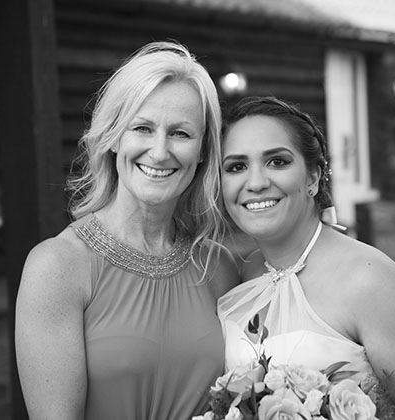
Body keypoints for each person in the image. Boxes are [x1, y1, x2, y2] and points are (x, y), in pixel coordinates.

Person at [15, 41, 239, 420]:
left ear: (203, 150)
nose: (159, 151)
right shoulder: (57, 267)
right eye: (142, 128)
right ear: (115, 137)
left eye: (181, 133)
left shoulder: (218, 267)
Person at [218, 96, 395, 420]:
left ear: (312, 177)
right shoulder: (242, 275)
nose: (255, 183)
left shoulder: (370, 281)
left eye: (277, 162)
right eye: (236, 167)